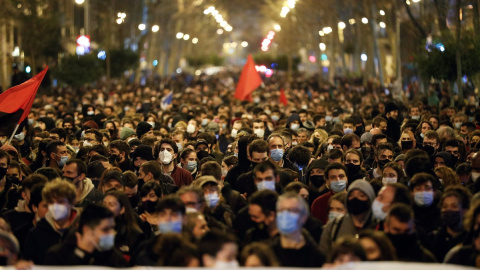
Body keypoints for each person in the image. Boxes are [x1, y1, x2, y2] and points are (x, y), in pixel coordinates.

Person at [44, 204, 127, 266]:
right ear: (87, 230)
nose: (111, 234)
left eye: (112, 228)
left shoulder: (115, 257)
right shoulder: (58, 256)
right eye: (105, 230)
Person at [24, 179, 79, 264]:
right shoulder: (35, 234)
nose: (55, 206)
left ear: (72, 203)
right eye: (51, 202)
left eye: (61, 202)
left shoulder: (82, 230)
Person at [270, 192, 325, 267]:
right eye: (281, 210)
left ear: (304, 217)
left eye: (292, 210)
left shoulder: (317, 257)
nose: (285, 214)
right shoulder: (267, 253)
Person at [320, 180, 376, 253]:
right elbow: (323, 254)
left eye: (361, 195)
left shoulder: (378, 225)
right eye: (351, 195)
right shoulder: (334, 225)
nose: (355, 199)